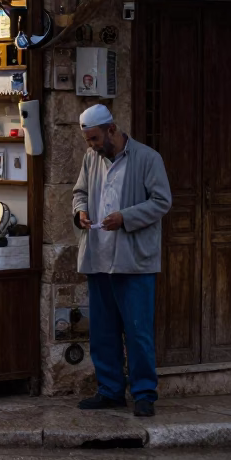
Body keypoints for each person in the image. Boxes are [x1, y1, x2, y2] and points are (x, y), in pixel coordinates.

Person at [72, 104, 172, 418]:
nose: (91, 145)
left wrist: (125, 217)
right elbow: (79, 192)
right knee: (103, 331)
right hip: (98, 257)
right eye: (88, 140)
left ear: (112, 130)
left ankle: (144, 394)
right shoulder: (91, 158)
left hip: (134, 260)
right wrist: (80, 212)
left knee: (138, 330)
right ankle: (110, 390)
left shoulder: (148, 158)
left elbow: (162, 201)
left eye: (95, 138)